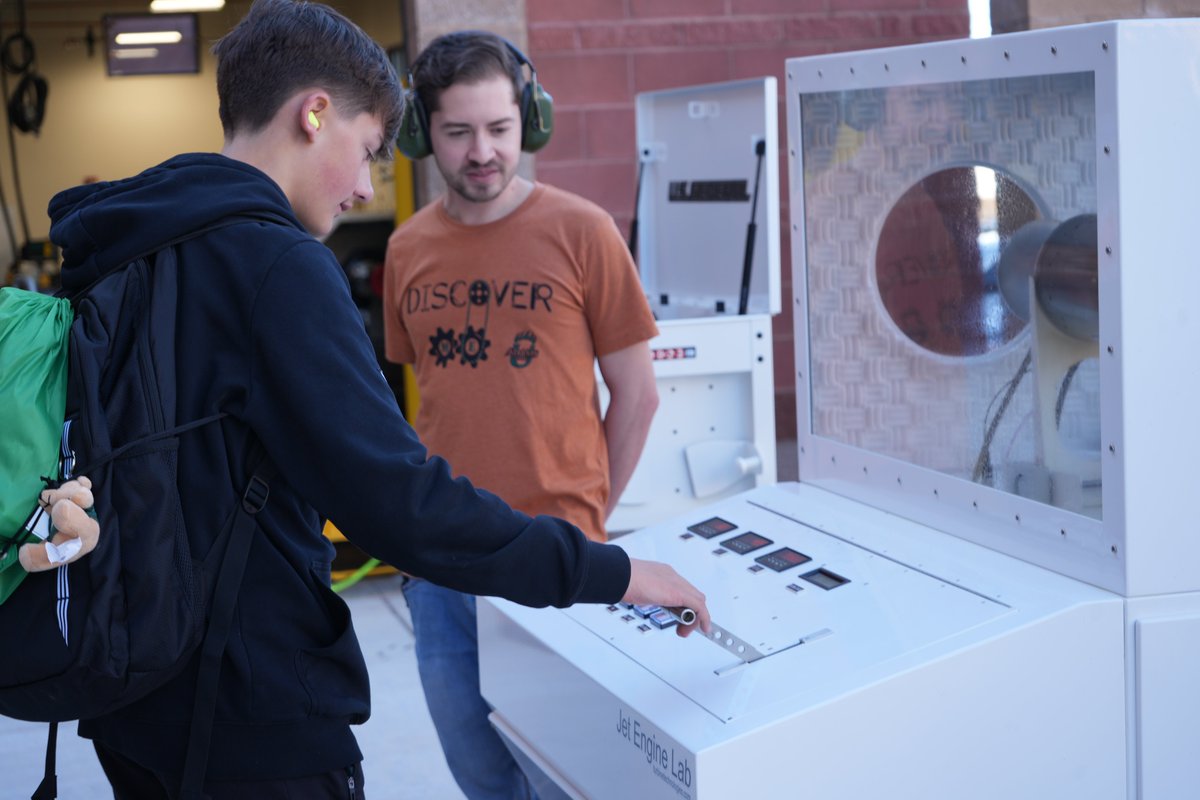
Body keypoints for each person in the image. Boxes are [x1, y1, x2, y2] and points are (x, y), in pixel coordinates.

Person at [46, 2, 708, 798]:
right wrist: (613, 571)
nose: (365, 185)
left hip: (135, 693)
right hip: (253, 708)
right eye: (365, 150)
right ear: (314, 113)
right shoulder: (278, 265)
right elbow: (399, 501)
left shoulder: (126, 241)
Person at [383, 31, 662, 800]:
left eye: (500, 129)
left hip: (553, 555)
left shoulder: (583, 232)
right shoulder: (407, 249)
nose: (482, 152)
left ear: (528, 122)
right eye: (458, 131)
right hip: (440, 565)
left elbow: (637, 395)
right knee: (479, 771)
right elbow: (431, 397)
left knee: (561, 775)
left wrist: (586, 520)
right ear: (422, 133)